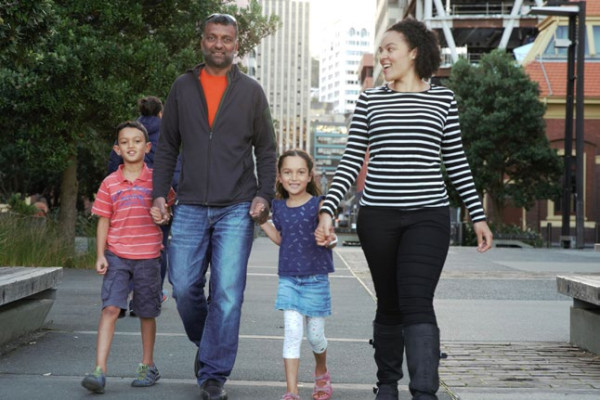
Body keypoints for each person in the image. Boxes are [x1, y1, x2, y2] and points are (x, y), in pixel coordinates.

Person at [315, 19, 493, 400]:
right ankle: (388, 385)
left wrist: (477, 215)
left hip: (428, 216)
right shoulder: (370, 100)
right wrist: (329, 209)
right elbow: (350, 162)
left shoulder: (443, 99)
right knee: (390, 302)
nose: (383, 56)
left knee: (416, 299)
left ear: (414, 51)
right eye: (380, 50)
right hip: (378, 216)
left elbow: (456, 161)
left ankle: (425, 392)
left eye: (390, 48)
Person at [150, 12, 276, 400]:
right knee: (183, 286)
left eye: (226, 38)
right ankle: (210, 347)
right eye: (212, 37)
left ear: (237, 45)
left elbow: (267, 149)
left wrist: (264, 195)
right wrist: (159, 193)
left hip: (237, 205)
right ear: (202, 41)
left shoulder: (251, 91)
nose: (218, 44)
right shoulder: (182, 87)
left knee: (227, 294)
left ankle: (212, 375)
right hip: (188, 203)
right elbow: (168, 145)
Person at [82, 121, 168, 394]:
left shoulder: (157, 181)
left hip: (148, 256)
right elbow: (104, 221)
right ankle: (99, 370)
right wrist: (100, 255)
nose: (131, 146)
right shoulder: (109, 183)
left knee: (145, 312)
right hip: (117, 254)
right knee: (110, 308)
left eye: (137, 141)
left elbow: (168, 213)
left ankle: (147, 365)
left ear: (148, 146)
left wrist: (164, 215)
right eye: (125, 142)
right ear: (117, 149)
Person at [259, 150, 335, 400]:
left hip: (316, 279)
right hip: (289, 279)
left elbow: (329, 233)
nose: (294, 177)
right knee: (292, 333)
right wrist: (262, 222)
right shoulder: (278, 207)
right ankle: (291, 391)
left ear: (309, 175)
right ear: (279, 177)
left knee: (315, 336)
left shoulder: (320, 204)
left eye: (300, 172)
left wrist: (330, 240)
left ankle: (321, 371)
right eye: (288, 172)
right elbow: (282, 239)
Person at [107, 96, 180, 314]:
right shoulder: (169, 134)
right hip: (159, 197)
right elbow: (176, 168)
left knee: (124, 246)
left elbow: (113, 166)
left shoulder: (129, 134)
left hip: (127, 198)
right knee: (158, 246)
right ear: (160, 113)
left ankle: (120, 296)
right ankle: (148, 297)